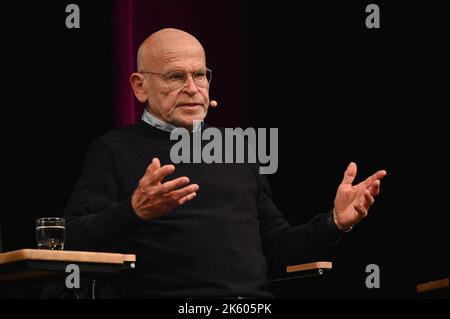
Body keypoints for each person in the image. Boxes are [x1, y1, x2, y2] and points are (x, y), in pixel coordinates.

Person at [64, 28, 386, 298]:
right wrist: (133, 211)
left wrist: (334, 223)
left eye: (200, 75)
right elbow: (70, 239)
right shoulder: (113, 150)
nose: (192, 88)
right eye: (175, 76)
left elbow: (277, 250)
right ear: (139, 86)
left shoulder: (236, 149)